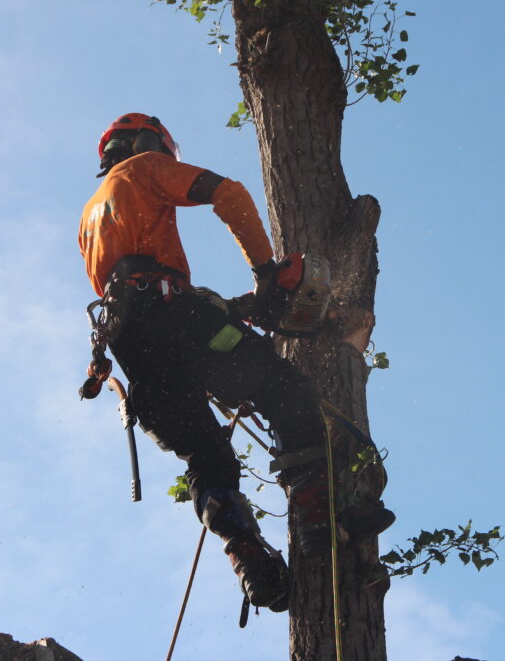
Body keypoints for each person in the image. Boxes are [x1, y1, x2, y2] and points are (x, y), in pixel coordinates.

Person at [77, 113, 393, 613]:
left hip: (134, 349)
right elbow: (230, 194)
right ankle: (315, 511)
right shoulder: (143, 168)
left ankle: (248, 556)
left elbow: (140, 295)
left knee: (207, 458)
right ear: (145, 142)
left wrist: (223, 309)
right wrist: (266, 275)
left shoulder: (90, 217)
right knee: (283, 388)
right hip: (176, 316)